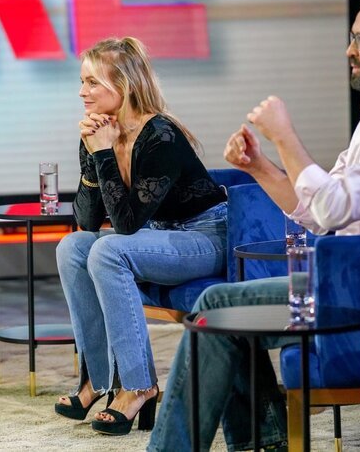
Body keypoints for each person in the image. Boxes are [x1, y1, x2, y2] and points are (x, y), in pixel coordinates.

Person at [148, 0, 360, 451]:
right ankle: (261, 443)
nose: (349, 50)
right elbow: (317, 216)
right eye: (351, 38)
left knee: (216, 304)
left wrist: (284, 136)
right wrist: (260, 166)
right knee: (218, 306)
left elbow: (331, 208)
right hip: (358, 282)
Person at [54, 37, 229, 436]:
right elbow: (87, 221)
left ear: (125, 86)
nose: (82, 92)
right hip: (161, 236)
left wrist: (102, 156)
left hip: (205, 237)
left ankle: (137, 387)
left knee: (110, 251)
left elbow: (127, 225)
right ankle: (98, 381)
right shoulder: (101, 132)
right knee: (73, 248)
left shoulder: (160, 136)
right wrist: (90, 158)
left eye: (93, 83)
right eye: (82, 82)